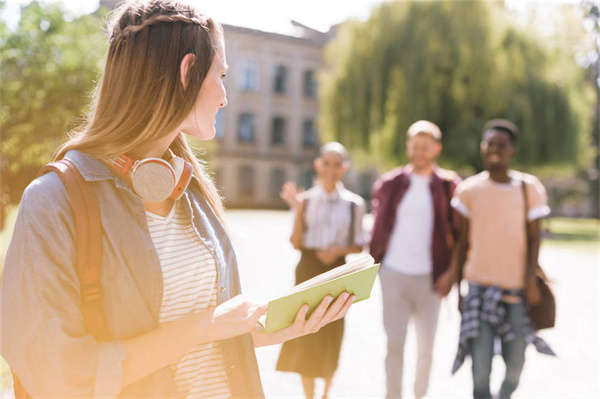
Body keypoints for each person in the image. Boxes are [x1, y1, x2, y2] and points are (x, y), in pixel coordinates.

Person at [0, 1, 356, 398]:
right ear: (187, 72)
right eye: (221, 75)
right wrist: (203, 325)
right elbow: (58, 376)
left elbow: (198, 343)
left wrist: (268, 328)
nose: (224, 97)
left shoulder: (192, 189)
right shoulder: (52, 203)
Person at [449, 119, 555, 398]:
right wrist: (458, 287)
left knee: (516, 365)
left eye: (501, 144)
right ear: (483, 148)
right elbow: (461, 244)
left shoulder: (528, 187)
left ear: (512, 151)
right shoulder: (468, 190)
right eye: (490, 143)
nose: (495, 149)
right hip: (478, 291)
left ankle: (505, 395)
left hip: (517, 292)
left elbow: (535, 238)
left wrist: (530, 281)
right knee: (481, 368)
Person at [369, 120, 460, 399]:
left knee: (426, 349)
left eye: (425, 147)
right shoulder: (390, 183)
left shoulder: (449, 185)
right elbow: (377, 229)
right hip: (393, 274)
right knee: (394, 343)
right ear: (408, 146)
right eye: (414, 146)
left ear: (436, 149)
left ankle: (420, 396)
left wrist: (451, 275)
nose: (419, 152)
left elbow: (459, 236)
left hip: (431, 279)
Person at [276, 142, 367, 399]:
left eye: (336, 164)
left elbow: (360, 244)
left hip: (338, 268)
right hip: (307, 267)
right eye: (326, 162)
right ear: (318, 165)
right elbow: (295, 243)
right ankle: (309, 396)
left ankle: (326, 393)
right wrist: (298, 211)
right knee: (305, 328)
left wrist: (338, 251)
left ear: (344, 169)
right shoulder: (305, 201)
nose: (330, 169)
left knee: (332, 330)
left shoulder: (354, 204)